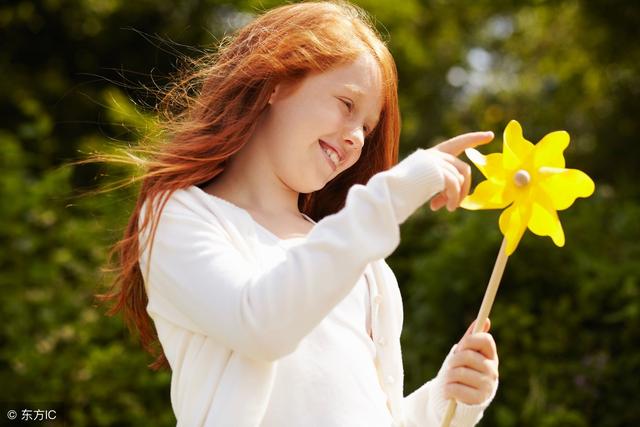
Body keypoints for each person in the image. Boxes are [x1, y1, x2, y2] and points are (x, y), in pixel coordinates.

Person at [97, 1, 499, 426]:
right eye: (347, 105)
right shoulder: (179, 216)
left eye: (367, 127)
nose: (357, 140)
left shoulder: (364, 266)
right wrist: (393, 194)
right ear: (276, 82)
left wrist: (447, 400)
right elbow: (259, 324)